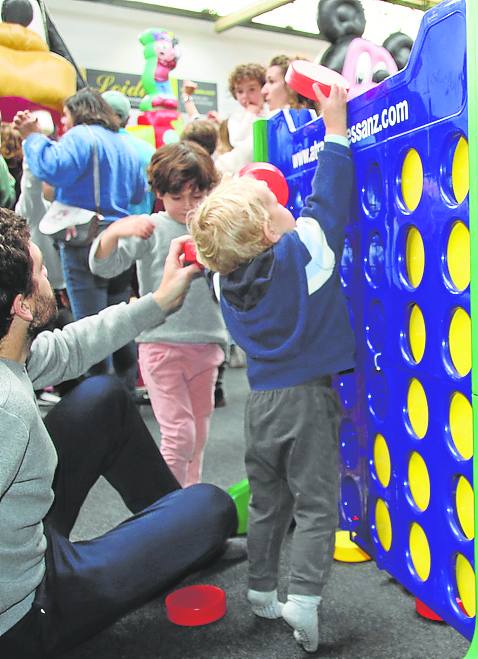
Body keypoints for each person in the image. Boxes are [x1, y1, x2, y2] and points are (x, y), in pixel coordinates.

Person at [0, 208, 237, 657]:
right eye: (41, 270)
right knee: (213, 506)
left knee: (103, 397)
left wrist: (159, 301)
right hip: (31, 604)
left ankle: (176, 531)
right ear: (21, 306)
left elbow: (70, 347)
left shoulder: (11, 349)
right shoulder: (6, 407)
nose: (49, 276)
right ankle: (186, 537)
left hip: (22, 533)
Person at [189, 83, 353, 654]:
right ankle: (303, 597)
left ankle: (261, 589)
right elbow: (328, 202)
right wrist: (335, 129)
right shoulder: (302, 253)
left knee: (267, 502)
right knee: (316, 504)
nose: (288, 204)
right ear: (268, 231)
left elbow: (227, 255)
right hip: (308, 401)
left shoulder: (222, 283)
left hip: (259, 405)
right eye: (276, 204)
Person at [90, 142, 226, 486]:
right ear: (160, 194)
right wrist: (114, 231)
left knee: (198, 434)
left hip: (207, 342)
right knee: (179, 434)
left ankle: (190, 501)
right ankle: (169, 506)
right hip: (161, 343)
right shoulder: (151, 227)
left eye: (197, 196)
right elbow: (104, 266)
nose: (188, 206)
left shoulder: (212, 227)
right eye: (177, 197)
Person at [14, 88, 146, 388]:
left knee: (89, 326)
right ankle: (124, 392)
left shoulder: (81, 136)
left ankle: (100, 395)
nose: (64, 121)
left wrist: (33, 138)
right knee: (119, 318)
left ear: (79, 111)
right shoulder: (125, 144)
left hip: (84, 238)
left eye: (66, 115)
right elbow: (139, 193)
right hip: (119, 237)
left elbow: (52, 168)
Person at [215, 63, 267, 175]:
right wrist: (250, 114)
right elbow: (237, 140)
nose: (245, 96)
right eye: (240, 91)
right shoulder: (236, 118)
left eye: (252, 89)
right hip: (245, 170)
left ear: (263, 88)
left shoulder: (270, 113)